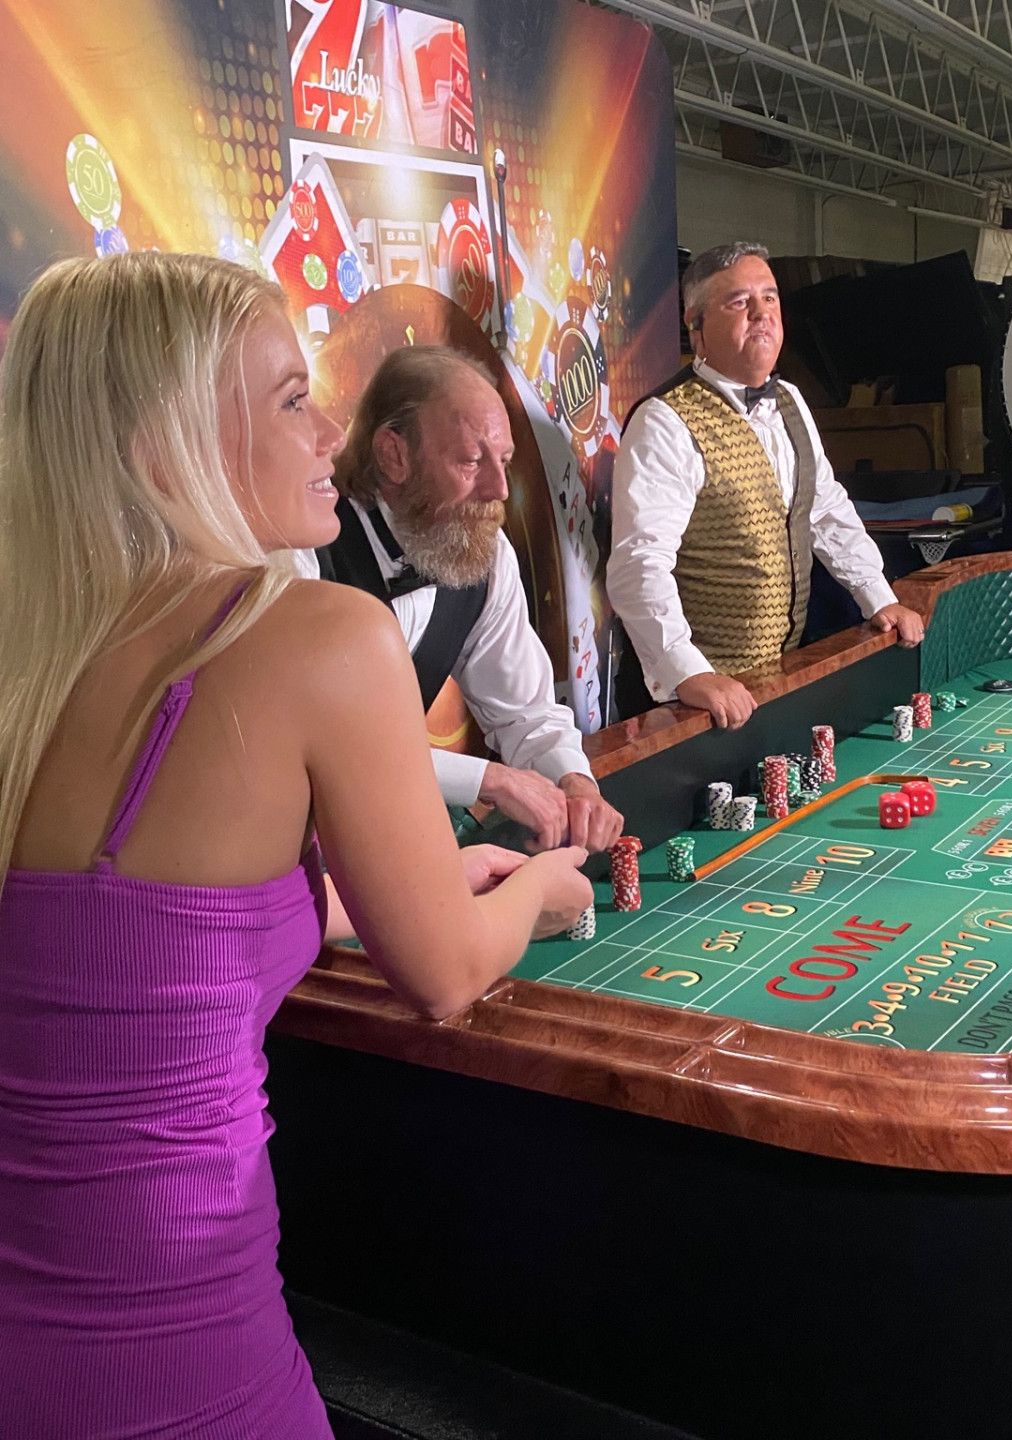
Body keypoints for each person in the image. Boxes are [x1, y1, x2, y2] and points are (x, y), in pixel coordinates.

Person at [0, 253, 592, 1438]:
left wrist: (353, 898)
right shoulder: (320, 635)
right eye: (286, 400)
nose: (328, 431)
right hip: (178, 1363)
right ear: (166, 444)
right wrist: (533, 887)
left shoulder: (30, 653)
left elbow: (135, 934)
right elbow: (445, 976)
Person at [297, 346, 623, 853]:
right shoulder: (303, 551)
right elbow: (319, 746)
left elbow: (526, 715)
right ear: (393, 454)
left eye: (505, 460)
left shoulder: (486, 556)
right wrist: (491, 780)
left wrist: (573, 782)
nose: (498, 488)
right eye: (472, 461)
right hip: (291, 853)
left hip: (388, 840)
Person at [607, 240, 926, 729]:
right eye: (739, 302)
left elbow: (823, 508)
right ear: (698, 331)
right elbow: (638, 566)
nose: (761, 313)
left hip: (776, 676)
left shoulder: (791, 399)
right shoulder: (664, 422)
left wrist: (877, 595)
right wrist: (688, 673)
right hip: (691, 705)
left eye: (770, 297)